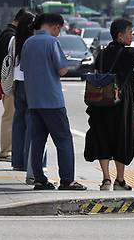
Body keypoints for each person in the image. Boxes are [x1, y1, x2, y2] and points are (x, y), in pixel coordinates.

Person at [84, 19, 134, 191]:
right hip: (121, 104)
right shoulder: (128, 53)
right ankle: (120, 180)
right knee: (121, 138)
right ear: (120, 36)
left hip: (100, 103)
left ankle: (106, 179)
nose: (131, 36)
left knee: (102, 137)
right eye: (130, 33)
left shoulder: (102, 53)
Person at [20, 14, 86, 191]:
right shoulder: (52, 42)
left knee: (38, 141)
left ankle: (39, 180)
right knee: (63, 140)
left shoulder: (28, 42)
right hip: (52, 101)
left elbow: (24, 68)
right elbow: (63, 70)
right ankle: (67, 180)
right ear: (55, 27)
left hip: (33, 101)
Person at [0, 8, 27, 163]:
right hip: (10, 83)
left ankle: (10, 149)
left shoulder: (8, 34)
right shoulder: (10, 36)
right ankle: (6, 150)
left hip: (7, 82)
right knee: (10, 115)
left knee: (12, 115)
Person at [10, 11, 46, 183]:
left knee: (18, 123)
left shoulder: (13, 39)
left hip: (17, 83)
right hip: (30, 83)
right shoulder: (33, 41)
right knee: (32, 124)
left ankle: (17, 160)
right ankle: (29, 162)